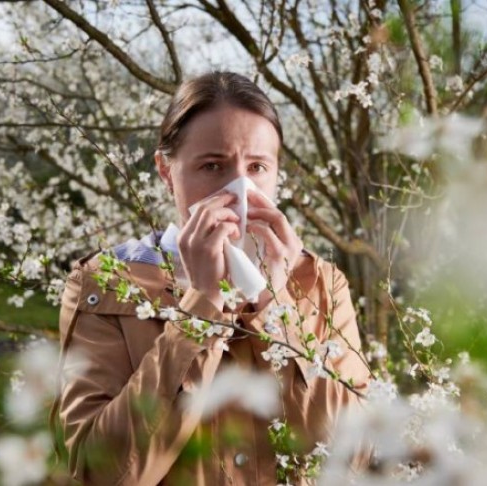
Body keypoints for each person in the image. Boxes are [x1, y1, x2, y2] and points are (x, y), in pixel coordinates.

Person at [55, 71, 370, 485]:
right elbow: (96, 474)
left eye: (257, 167)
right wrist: (201, 306)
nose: (238, 188)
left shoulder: (322, 283)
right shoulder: (107, 283)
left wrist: (277, 305)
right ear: (167, 171)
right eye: (212, 165)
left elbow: (351, 462)